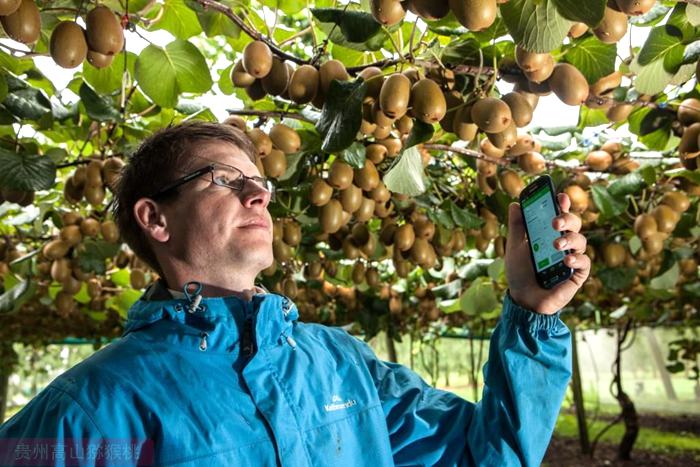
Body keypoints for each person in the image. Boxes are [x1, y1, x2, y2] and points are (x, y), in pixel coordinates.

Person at [0, 122, 591, 466]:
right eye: (225, 181)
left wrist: (531, 312)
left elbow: (484, 455)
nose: (257, 195)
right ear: (156, 219)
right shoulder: (92, 405)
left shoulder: (342, 362)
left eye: (259, 184)